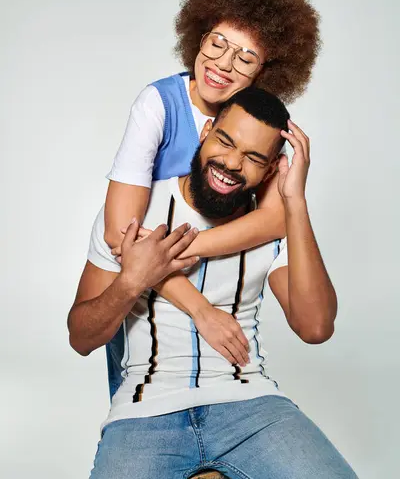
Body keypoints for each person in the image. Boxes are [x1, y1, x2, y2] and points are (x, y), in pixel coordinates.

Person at [68, 87, 357, 478]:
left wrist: (296, 202)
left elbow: (316, 326)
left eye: (254, 158)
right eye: (225, 140)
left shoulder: (274, 224)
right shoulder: (134, 209)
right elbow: (81, 338)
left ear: (271, 169)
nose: (232, 163)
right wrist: (132, 281)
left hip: (251, 406)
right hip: (146, 412)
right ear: (206, 131)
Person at [103, 0, 321, 397]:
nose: (223, 63)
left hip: (216, 282)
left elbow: (277, 222)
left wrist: (180, 249)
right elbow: (118, 234)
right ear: (198, 37)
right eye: (217, 43)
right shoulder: (159, 104)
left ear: (266, 70)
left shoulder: (261, 126)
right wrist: (198, 307)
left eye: (244, 57)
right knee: (135, 392)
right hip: (148, 292)